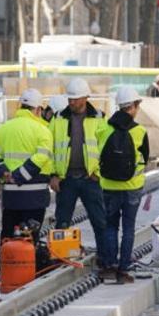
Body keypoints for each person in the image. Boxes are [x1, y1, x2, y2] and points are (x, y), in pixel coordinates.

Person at [49, 79, 107, 274]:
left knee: (99, 220)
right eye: (70, 99)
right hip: (66, 180)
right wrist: (53, 175)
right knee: (63, 220)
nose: (71, 102)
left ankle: (105, 258)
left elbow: (105, 147)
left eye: (75, 99)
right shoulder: (58, 118)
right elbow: (49, 149)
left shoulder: (99, 118)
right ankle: (64, 258)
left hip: (90, 179)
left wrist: (98, 174)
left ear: (85, 98)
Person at [96, 86, 150, 283]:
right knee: (128, 229)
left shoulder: (103, 128)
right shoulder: (140, 132)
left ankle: (109, 266)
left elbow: (98, 156)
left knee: (110, 227)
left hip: (108, 186)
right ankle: (123, 269)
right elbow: (144, 159)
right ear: (134, 106)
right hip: (132, 188)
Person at [0, 89, 55, 237]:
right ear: (38, 109)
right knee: (29, 241)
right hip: (35, 196)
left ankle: (5, 261)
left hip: (11, 196)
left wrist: (4, 174)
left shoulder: (3, 129)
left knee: (8, 238)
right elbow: (42, 157)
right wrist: (20, 175)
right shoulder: (43, 131)